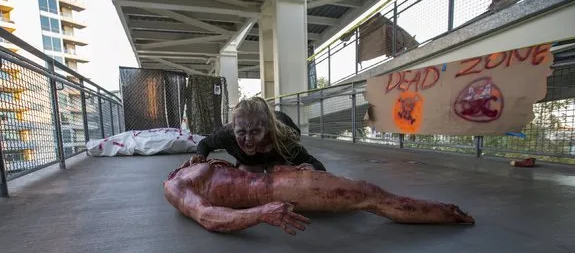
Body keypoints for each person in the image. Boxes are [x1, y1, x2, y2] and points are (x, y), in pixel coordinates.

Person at [164, 158, 475, 235]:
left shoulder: (197, 166)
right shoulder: (178, 186)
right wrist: (261, 213)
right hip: (277, 190)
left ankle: (444, 211)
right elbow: (207, 217)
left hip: (280, 180)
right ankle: (446, 213)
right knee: (369, 195)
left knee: (367, 194)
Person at [189, 97, 326, 173]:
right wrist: (200, 156)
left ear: (266, 129)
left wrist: (312, 168)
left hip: (281, 140)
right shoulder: (227, 134)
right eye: (241, 132)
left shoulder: (282, 139)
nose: (248, 139)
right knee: (249, 171)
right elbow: (205, 143)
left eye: (255, 132)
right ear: (234, 129)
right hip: (251, 161)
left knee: (277, 171)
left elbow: (315, 164)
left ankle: (274, 163)